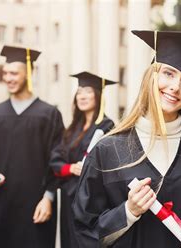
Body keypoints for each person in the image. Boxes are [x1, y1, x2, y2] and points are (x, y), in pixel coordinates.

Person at [72, 30, 181, 247]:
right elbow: (84, 231)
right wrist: (128, 212)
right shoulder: (108, 150)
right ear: (151, 76)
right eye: (169, 73)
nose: (176, 87)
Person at [0, 45, 64, 248]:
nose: (8, 78)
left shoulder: (49, 115)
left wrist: (48, 198)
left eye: (14, 73)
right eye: (5, 73)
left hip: (34, 203)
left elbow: (57, 162)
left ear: (29, 74)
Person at [50, 71, 116, 248]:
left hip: (90, 197)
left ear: (98, 95)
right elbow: (56, 158)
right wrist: (70, 168)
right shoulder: (72, 128)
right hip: (68, 196)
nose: (82, 96)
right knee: (68, 239)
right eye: (79, 92)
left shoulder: (107, 127)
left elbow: (110, 163)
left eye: (87, 91)